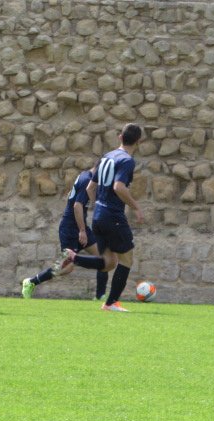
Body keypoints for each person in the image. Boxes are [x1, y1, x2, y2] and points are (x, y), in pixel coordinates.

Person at [52, 123, 144, 312]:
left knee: (109, 262)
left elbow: (90, 188)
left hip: (99, 215)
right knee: (126, 259)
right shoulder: (127, 161)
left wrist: (99, 206)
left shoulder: (106, 157)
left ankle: (74, 257)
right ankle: (111, 303)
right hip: (113, 215)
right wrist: (136, 207)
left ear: (120, 137)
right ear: (138, 142)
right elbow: (119, 187)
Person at [21, 162, 109, 300]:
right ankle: (31, 282)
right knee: (67, 267)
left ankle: (100, 296)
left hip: (80, 226)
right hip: (70, 229)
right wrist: (82, 231)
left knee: (103, 258)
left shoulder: (86, 176)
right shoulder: (87, 180)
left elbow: (73, 196)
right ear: (100, 169)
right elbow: (77, 206)